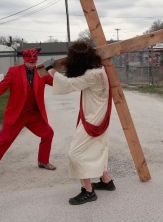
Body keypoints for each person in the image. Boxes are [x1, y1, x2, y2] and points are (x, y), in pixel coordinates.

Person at [40, 41, 115, 205]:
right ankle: (106, 181)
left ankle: (88, 192)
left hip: (92, 119)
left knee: (75, 153)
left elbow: (68, 84)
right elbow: (77, 78)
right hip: (99, 116)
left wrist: (50, 69)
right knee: (98, 148)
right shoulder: (100, 69)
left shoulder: (92, 75)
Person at [0, 48, 56, 186]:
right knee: (3, 141)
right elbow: (1, 87)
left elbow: (56, 83)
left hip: (33, 115)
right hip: (17, 115)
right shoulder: (14, 71)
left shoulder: (41, 71)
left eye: (34, 61)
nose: (32, 63)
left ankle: (43, 161)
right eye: (29, 61)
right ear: (24, 60)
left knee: (48, 133)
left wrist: (53, 70)